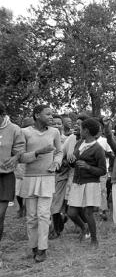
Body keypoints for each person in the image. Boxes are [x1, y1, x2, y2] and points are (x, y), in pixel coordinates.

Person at [19, 105, 63, 262]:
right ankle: (34, 246)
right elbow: (21, 157)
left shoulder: (54, 132)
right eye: (48, 114)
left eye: (52, 114)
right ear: (37, 115)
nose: (52, 117)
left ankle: (43, 248)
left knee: (43, 215)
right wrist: (38, 152)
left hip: (47, 177)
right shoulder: (25, 133)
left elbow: (59, 152)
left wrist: (56, 163)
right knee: (31, 216)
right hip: (30, 177)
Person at [66, 118, 106, 247]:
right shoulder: (80, 143)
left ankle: (94, 239)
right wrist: (71, 160)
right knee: (71, 212)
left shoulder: (98, 148)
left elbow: (102, 171)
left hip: (91, 183)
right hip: (77, 182)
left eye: (81, 128)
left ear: (86, 131)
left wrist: (88, 167)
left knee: (88, 212)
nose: (79, 129)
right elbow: (73, 164)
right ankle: (84, 228)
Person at [0, 102, 25, 245]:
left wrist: (15, 157)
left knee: (0, 216)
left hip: (5, 177)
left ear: (3, 115)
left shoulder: (14, 129)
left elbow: (20, 149)